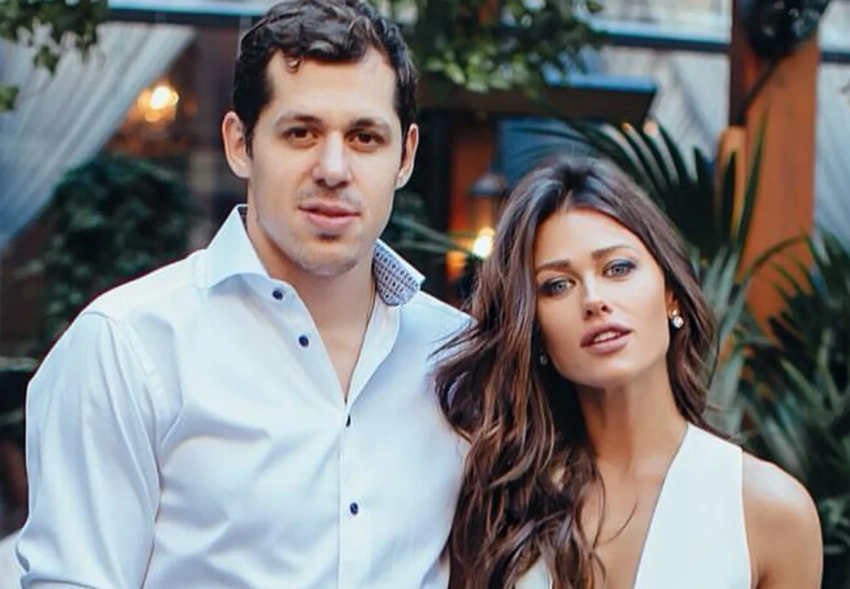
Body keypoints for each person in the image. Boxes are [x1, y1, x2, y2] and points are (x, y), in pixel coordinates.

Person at [17, 1, 468, 587]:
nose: (333, 168)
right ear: (239, 144)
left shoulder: (459, 358)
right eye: (301, 133)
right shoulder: (130, 346)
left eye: (364, 137)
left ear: (404, 156)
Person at [436, 157, 822, 589]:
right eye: (558, 285)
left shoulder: (769, 510)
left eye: (618, 268)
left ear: (671, 294)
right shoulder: (498, 504)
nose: (594, 300)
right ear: (535, 331)